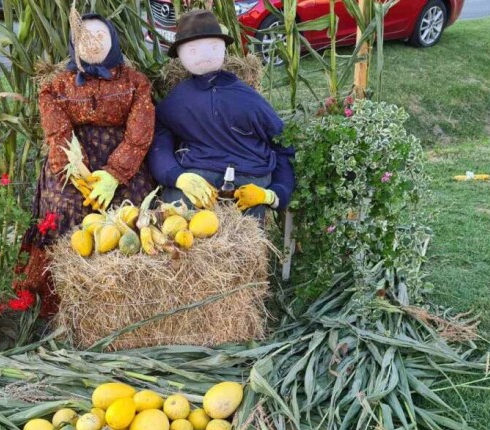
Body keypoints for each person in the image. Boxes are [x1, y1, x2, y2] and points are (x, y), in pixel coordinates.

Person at [18, 9, 155, 313]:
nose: (92, 43)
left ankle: (124, 301)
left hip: (122, 159)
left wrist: (114, 175)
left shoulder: (136, 83)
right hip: (72, 159)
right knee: (61, 208)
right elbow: (58, 132)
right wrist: (77, 174)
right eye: (84, 37)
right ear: (73, 42)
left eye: (100, 36)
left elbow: (140, 132)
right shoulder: (56, 86)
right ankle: (57, 304)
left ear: (113, 41)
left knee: (130, 213)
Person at [147, 10, 295, 219]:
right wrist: (177, 176)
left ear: (223, 48)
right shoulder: (174, 103)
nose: (203, 56)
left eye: (212, 47)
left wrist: (275, 193)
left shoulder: (250, 100)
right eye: (193, 50)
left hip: (248, 175)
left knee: (246, 234)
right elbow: (158, 144)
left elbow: (282, 144)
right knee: (178, 226)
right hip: (197, 173)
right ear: (180, 55)